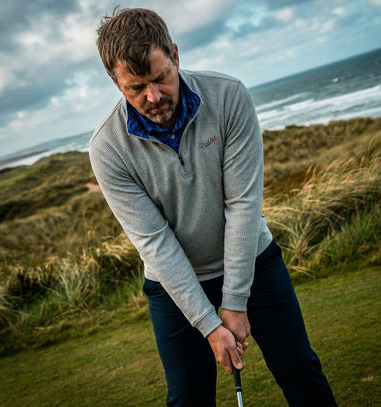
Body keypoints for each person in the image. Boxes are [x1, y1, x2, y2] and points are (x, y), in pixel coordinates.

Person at [90, 7, 337, 407]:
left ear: (175, 54)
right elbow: (155, 242)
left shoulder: (228, 96)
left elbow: (243, 205)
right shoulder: (107, 148)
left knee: (301, 371)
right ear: (114, 81)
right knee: (188, 398)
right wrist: (209, 325)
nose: (153, 97)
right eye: (136, 87)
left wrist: (235, 302)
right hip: (174, 286)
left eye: (160, 78)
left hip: (253, 260)